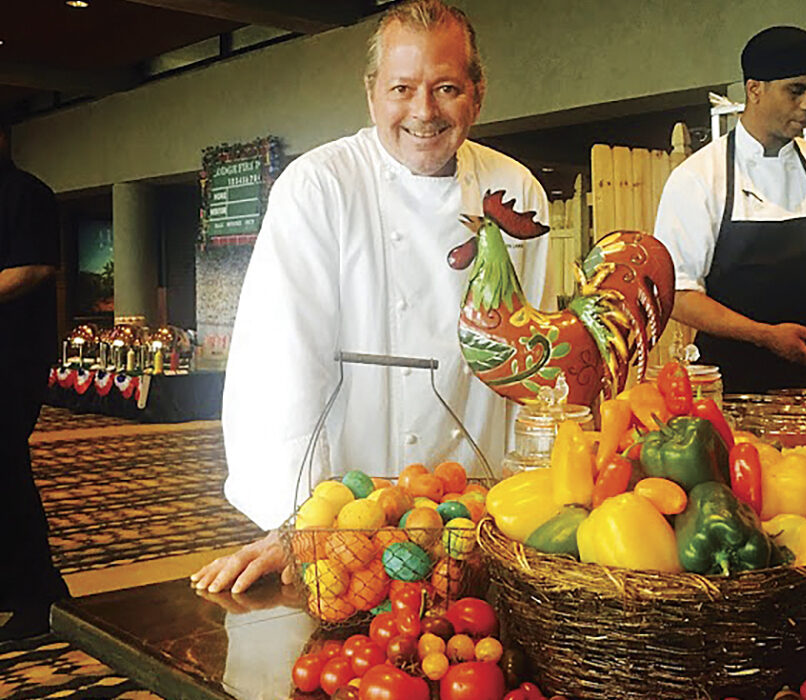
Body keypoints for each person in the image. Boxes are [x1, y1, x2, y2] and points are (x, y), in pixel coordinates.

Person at [192, 0, 551, 594]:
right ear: (371, 93)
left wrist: (532, 506)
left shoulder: (514, 188)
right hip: (346, 532)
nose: (423, 112)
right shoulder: (319, 186)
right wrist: (296, 525)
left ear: (479, 94)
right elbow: (281, 364)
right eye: (402, 88)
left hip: (475, 517)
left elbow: (530, 369)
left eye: (446, 88)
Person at [654, 26, 806, 394]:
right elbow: (678, 295)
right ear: (755, 89)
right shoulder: (698, 178)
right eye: (796, 90)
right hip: (726, 389)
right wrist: (765, 336)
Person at [0, 122, 69, 640]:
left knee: (6, 473)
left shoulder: (27, 193)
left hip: (12, 361)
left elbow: (34, 268)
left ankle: (39, 597)